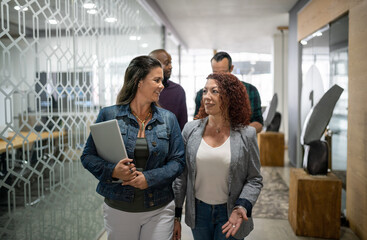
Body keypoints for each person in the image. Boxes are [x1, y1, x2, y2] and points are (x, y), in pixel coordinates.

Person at [80, 56, 185, 240]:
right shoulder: (109, 115)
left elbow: (178, 162)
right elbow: (88, 156)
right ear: (139, 81)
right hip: (119, 208)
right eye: (157, 80)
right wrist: (113, 171)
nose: (162, 85)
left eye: (162, 80)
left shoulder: (168, 119)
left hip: (159, 207)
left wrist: (149, 178)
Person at [173, 73, 263, 240]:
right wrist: (176, 216)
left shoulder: (247, 134)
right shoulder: (190, 130)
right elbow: (181, 176)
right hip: (199, 213)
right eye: (205, 91)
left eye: (214, 91)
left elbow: (254, 179)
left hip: (230, 213)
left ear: (230, 97)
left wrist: (242, 207)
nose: (206, 97)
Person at [194, 51, 264, 133]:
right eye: (215, 73)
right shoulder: (202, 94)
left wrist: (240, 135)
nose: (219, 77)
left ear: (231, 68)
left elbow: (258, 123)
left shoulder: (250, 90)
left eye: (223, 73)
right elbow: (197, 122)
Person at [149, 49, 188, 131]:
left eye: (170, 63)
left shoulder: (178, 91)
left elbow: (183, 126)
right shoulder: (143, 90)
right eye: (167, 63)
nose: (170, 67)